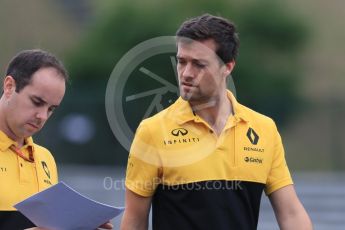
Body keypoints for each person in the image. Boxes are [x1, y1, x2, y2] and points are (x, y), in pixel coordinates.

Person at [121, 14, 312, 230]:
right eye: (182, 61)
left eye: (199, 64)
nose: (186, 73)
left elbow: (291, 214)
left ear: (227, 67)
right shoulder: (152, 131)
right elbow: (135, 220)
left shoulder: (264, 129)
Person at [0, 50, 112, 230]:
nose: (42, 116)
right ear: (9, 86)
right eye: (37, 102)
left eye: (51, 109)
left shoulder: (45, 158)